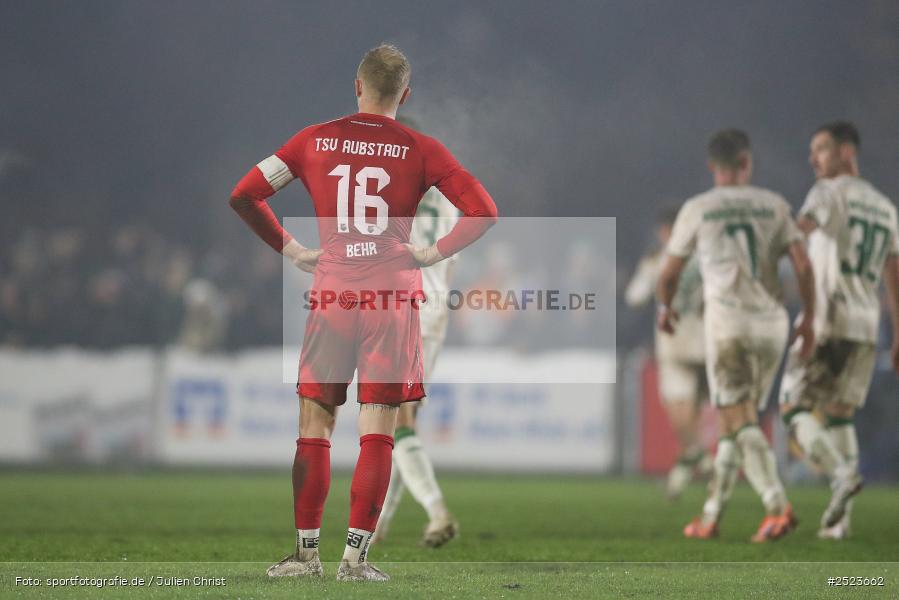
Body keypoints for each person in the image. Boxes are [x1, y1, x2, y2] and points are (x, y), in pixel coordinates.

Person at [228, 44, 497, 581]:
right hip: (392, 301)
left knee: (315, 426)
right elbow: (483, 211)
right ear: (406, 94)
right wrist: (430, 253)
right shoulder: (423, 148)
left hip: (332, 295)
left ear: (356, 86)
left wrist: (292, 250)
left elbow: (245, 195)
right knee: (379, 430)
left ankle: (306, 557)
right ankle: (356, 560)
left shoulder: (313, 139)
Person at [657, 129, 815, 542]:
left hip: (728, 324)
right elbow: (802, 264)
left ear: (713, 166)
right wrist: (810, 317)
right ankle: (710, 516)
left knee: (737, 416)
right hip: (773, 324)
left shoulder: (698, 208)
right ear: (747, 163)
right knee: (734, 422)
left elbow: (669, 273)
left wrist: (666, 308)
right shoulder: (775, 205)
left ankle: (778, 506)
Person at [779, 121, 899, 540]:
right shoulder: (886, 208)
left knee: (791, 407)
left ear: (847, 152)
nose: (813, 159)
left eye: (822, 149)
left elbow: (798, 236)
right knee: (840, 415)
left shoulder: (827, 194)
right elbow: (894, 273)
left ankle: (841, 473)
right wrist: (898, 334)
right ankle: (841, 524)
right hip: (867, 326)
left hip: (828, 319)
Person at [373, 116, 460, 548]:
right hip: (436, 312)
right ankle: (381, 523)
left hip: (398, 310)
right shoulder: (448, 199)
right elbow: (453, 259)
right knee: (401, 424)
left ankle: (437, 510)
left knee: (393, 422)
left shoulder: (381, 192)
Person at [625, 208, 711, 500]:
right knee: (695, 410)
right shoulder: (705, 257)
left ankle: (701, 457)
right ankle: (679, 479)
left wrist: (644, 270)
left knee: (678, 411)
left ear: (664, 229)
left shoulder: (659, 259)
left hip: (673, 342)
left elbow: (634, 298)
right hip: (706, 341)